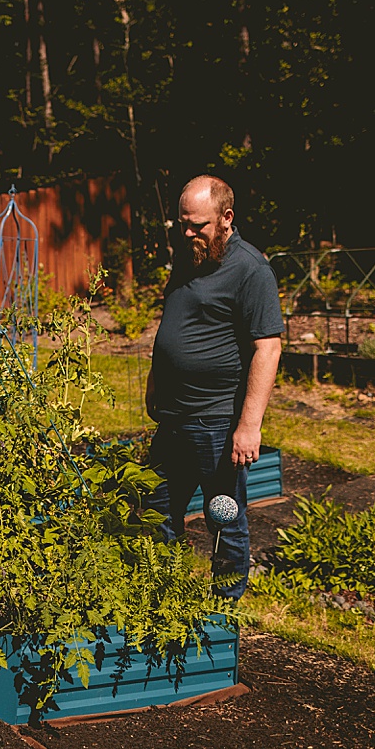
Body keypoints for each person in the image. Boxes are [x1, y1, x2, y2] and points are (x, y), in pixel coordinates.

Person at [143, 175, 282, 600]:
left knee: (222, 518)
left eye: (197, 224)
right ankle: (161, 599)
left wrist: (249, 425)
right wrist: (155, 387)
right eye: (182, 223)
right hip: (174, 418)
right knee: (156, 512)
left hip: (216, 423)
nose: (187, 233)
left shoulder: (250, 269)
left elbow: (268, 348)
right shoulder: (191, 256)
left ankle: (223, 611)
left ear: (226, 218)